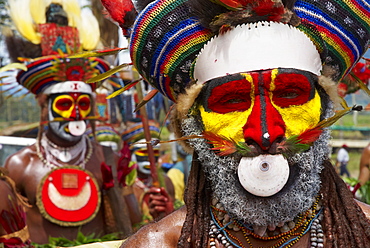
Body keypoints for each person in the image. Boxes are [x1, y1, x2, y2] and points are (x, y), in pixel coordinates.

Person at [100, 0, 370, 247]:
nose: (264, 133)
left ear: (324, 109)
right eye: (232, 100)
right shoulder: (160, 244)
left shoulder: (362, 233)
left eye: (289, 95)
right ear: (197, 122)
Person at [3, 55, 141, 244]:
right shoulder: (21, 163)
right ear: (45, 108)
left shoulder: (107, 157)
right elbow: (9, 232)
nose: (75, 114)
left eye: (83, 104)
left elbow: (134, 223)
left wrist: (120, 188)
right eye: (65, 104)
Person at [121, 121, 175, 222]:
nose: (151, 159)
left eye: (155, 153)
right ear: (131, 154)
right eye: (144, 152)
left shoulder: (166, 182)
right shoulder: (125, 186)